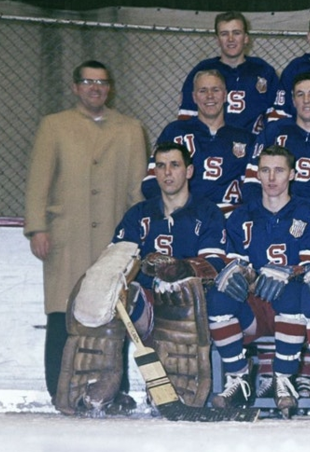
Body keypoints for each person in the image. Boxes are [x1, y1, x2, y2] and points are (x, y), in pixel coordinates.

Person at [25, 60, 146, 405]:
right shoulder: (54, 126)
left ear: (110, 88)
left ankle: (114, 391)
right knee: (62, 312)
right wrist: (37, 228)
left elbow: (138, 190)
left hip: (114, 236)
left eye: (102, 82)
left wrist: (139, 238)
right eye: (89, 82)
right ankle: (58, 388)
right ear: (76, 86)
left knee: (113, 313)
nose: (96, 88)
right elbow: (38, 181)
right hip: (66, 235)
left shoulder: (130, 129)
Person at [209, 145, 310, 418]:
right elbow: (236, 266)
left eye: (279, 170)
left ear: (292, 174)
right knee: (218, 296)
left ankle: (283, 379)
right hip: (254, 310)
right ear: (258, 175)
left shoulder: (309, 211)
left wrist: (288, 272)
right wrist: (246, 276)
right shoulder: (241, 216)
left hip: (291, 307)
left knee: (293, 291)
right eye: (265, 170)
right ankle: (238, 378)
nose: (272, 177)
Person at [113, 142, 228, 408]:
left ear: (189, 171)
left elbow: (213, 263)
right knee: (113, 298)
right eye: (161, 166)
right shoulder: (138, 214)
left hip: (191, 304)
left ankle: (181, 388)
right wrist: (144, 273)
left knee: (187, 302)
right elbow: (117, 260)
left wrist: (180, 270)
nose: (167, 173)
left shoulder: (208, 212)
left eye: (174, 165)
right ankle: (106, 389)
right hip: (148, 302)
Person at [144, 69, 254, 216]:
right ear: (194, 97)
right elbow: (151, 181)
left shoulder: (245, 138)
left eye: (215, 90)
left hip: (230, 217)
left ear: (225, 95)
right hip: (186, 215)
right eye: (203, 91)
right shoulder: (175, 132)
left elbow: (254, 186)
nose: (210, 96)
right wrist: (174, 211)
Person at [244, 72, 310, 208]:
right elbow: (252, 181)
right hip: (281, 214)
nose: (306, 100)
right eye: (300, 94)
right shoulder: (274, 131)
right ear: (293, 101)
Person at [178, 11, 280, 134]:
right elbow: (186, 117)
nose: (230, 39)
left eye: (236, 33)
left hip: (254, 145)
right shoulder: (202, 71)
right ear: (217, 39)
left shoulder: (264, 71)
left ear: (246, 38)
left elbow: (276, 117)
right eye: (224, 34)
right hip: (212, 146)